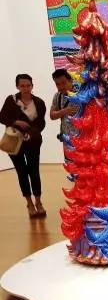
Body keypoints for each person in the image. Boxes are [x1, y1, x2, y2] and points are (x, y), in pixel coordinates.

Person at [0, 74, 47, 218]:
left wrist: (31, 132)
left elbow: (41, 123)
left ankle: (38, 201)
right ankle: (29, 203)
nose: (26, 88)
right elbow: (2, 117)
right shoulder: (11, 100)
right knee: (21, 172)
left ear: (32, 86)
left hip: (33, 141)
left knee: (34, 171)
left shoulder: (39, 102)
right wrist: (16, 122)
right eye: (22, 86)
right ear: (17, 86)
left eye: (28, 85)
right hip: (15, 142)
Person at [50, 68, 78, 141]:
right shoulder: (57, 96)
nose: (61, 87)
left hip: (82, 138)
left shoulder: (82, 94)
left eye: (63, 83)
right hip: (66, 138)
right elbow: (52, 115)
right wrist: (65, 111)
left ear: (71, 80)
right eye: (57, 84)